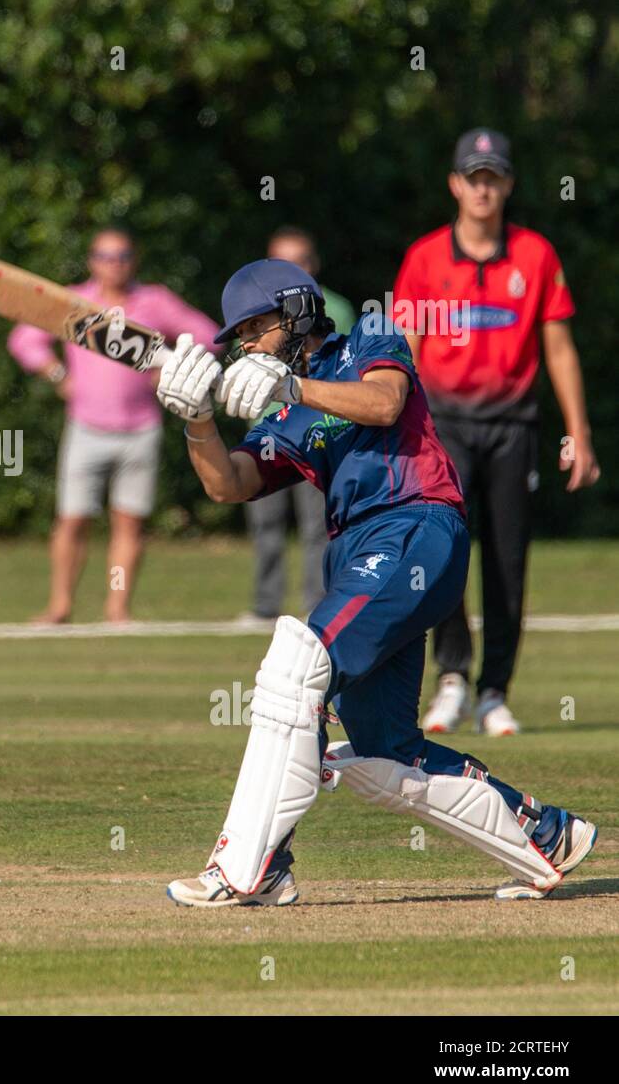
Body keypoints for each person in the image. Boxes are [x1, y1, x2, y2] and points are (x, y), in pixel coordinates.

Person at [153, 258, 595, 907]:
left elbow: (385, 401)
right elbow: (230, 482)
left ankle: (249, 867)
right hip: (358, 549)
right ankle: (546, 831)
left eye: (255, 327)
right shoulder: (282, 413)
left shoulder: (368, 337)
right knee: (382, 754)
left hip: (416, 524)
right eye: (238, 336)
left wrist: (291, 388)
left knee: (295, 666)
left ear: (296, 311)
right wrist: (196, 420)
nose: (245, 344)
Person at [393, 129, 600, 736]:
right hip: (443, 427)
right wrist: (393, 425)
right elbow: (405, 349)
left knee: (508, 561)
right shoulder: (425, 258)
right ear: (456, 184)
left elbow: (559, 350)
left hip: (513, 426)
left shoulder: (535, 255)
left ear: (507, 185)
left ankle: (495, 691)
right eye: (473, 177)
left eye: (494, 177)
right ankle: (452, 678)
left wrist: (579, 433)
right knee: (444, 553)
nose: (483, 188)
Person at [7, 229, 220, 622]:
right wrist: (56, 374)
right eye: (105, 256)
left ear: (133, 260)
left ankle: (117, 609)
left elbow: (210, 337)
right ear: (91, 261)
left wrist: (171, 367)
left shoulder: (154, 301)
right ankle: (60, 606)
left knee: (128, 523)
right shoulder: (76, 304)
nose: (114, 264)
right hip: (85, 426)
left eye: (122, 255)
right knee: (72, 519)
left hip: (140, 428)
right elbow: (23, 339)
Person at [240, 226, 358, 625]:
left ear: (313, 264)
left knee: (318, 526)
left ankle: (316, 603)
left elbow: (344, 373)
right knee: (265, 524)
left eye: (298, 261)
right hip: (269, 432)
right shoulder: (257, 315)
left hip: (320, 434)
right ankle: (265, 606)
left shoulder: (335, 308)